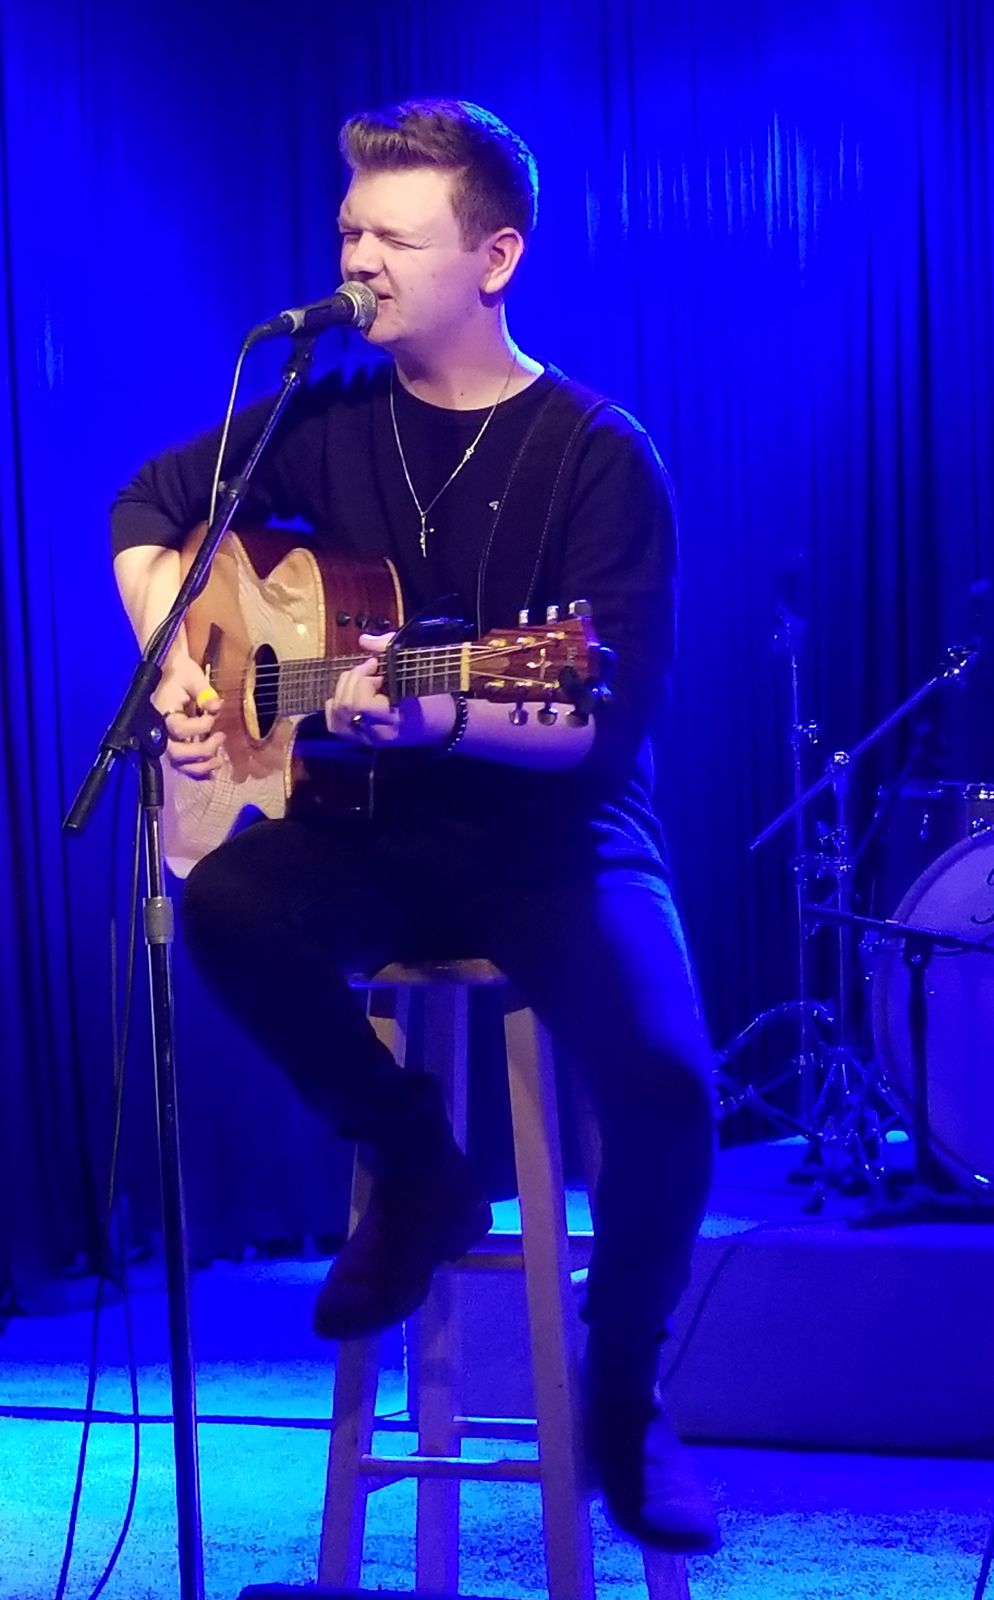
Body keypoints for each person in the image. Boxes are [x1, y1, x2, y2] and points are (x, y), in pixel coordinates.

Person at [111, 98, 718, 1555]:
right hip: (372, 825)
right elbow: (145, 506)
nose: (358, 262)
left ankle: (624, 1393)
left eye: (394, 237)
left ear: (494, 257)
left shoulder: (596, 454)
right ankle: (418, 1162)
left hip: (557, 836)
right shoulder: (318, 419)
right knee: (229, 905)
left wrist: (443, 713)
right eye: (349, 233)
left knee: (664, 1078)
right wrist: (181, 668)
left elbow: (600, 718)